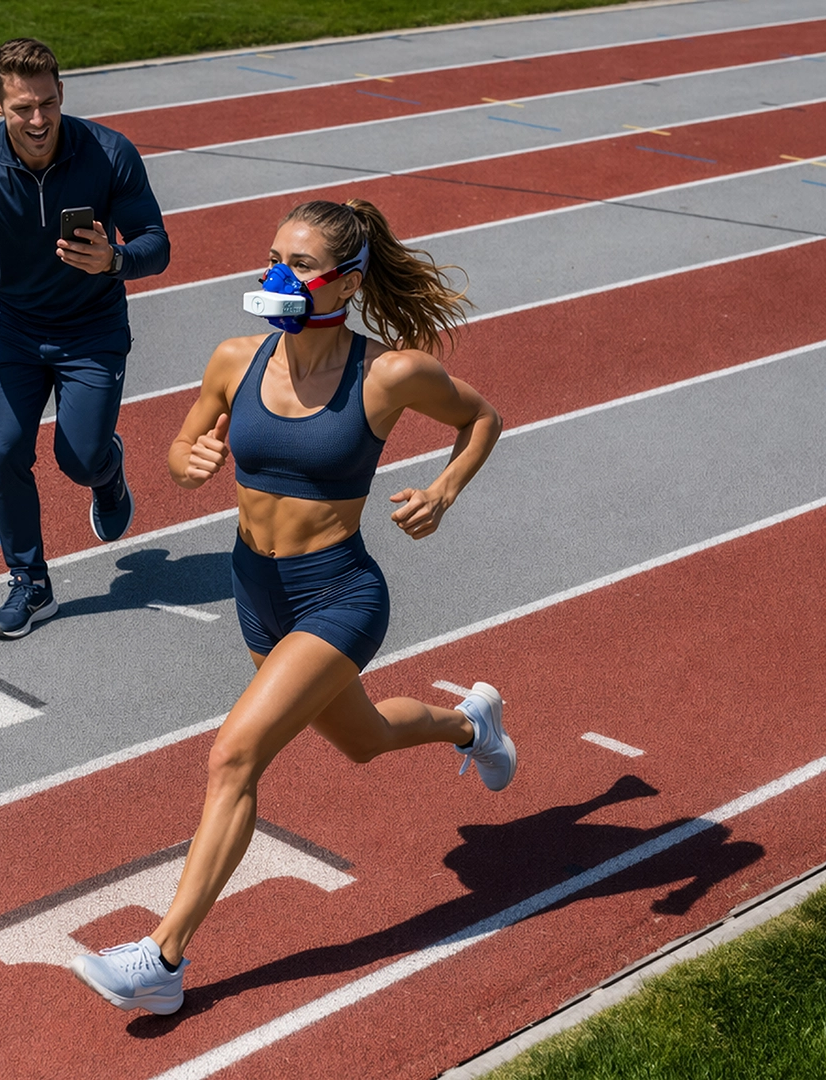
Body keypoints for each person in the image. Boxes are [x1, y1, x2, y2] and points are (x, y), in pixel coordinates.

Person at [69, 198, 513, 1015]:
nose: (278, 274)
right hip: (256, 593)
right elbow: (176, 451)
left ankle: (161, 959)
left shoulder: (388, 373)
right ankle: (470, 725)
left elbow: (481, 419)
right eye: (273, 256)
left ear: (345, 279)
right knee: (365, 740)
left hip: (338, 592)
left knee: (234, 756)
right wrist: (188, 459)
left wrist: (444, 492)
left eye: (300, 263)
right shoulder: (236, 358)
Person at [0, 38, 170, 639]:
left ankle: (108, 471)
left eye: (48, 104)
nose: (38, 120)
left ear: (62, 95)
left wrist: (113, 260)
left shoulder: (108, 152)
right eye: (22, 107)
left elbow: (156, 245)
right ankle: (30, 583)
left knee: (78, 458)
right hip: (13, 328)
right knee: (4, 451)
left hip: (93, 330)